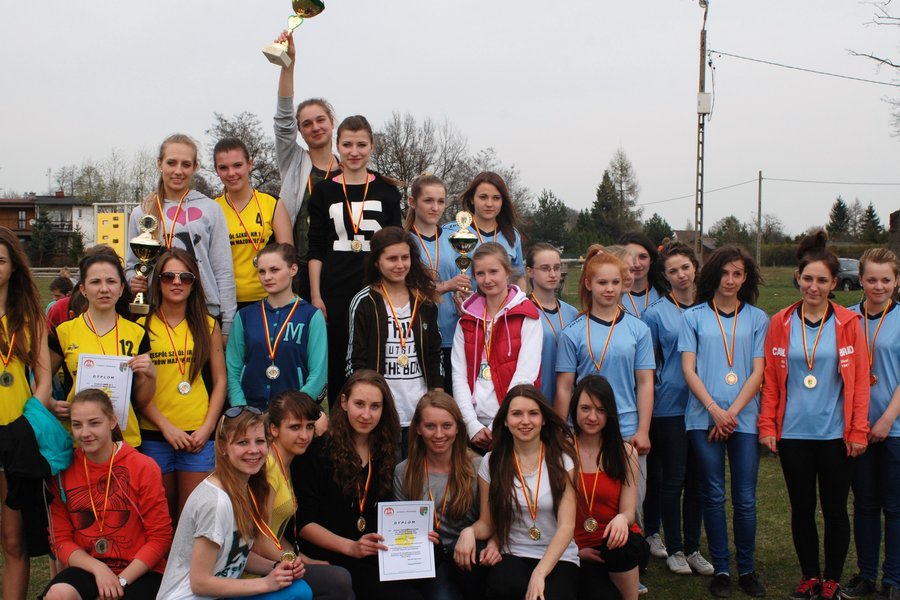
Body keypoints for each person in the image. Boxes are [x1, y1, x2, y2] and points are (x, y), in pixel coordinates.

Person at [759, 232, 869, 600]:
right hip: (793, 434)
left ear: (834, 283)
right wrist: (767, 425)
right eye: (808, 278)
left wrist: (858, 430)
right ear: (798, 278)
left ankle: (832, 580)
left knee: (835, 509)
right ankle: (809, 577)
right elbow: (771, 381)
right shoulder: (781, 321)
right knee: (802, 509)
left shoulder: (849, 323)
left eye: (822, 280)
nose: (814, 287)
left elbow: (860, 384)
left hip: (836, 435)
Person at [679, 244, 769, 599]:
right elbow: (689, 369)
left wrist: (730, 413)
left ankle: (746, 569)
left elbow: (758, 372)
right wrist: (715, 409)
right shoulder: (694, 317)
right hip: (703, 417)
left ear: (745, 278)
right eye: (724, 273)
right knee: (713, 494)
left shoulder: (758, 319)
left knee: (745, 498)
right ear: (713, 275)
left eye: (737, 274)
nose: (730, 280)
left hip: (743, 418)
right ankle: (722, 569)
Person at [155, 406, 312, 600]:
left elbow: (234, 556)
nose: (253, 450)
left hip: (218, 594)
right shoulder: (215, 502)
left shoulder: (244, 488)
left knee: (299, 589)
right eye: (242, 442)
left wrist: (277, 567)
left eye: (260, 441)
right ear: (222, 447)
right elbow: (200, 583)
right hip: (188, 597)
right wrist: (265, 583)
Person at [291, 370, 421, 600]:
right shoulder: (317, 451)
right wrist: (351, 547)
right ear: (344, 402)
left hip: (369, 553)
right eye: (359, 404)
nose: (366, 415)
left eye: (375, 406)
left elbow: (385, 514)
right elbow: (303, 523)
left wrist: (415, 536)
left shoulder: (384, 451)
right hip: (331, 556)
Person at [555, 247, 654, 529]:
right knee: (583, 504)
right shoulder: (572, 332)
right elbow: (564, 387)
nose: (609, 289)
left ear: (624, 284)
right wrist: (561, 430)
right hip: (583, 429)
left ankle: (631, 555)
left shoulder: (638, 330)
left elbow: (645, 383)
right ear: (588, 284)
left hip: (626, 429)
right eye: (602, 282)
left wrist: (643, 430)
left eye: (614, 282)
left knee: (631, 506)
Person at [307, 116, 402, 407]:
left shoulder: (387, 191)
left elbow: (396, 246)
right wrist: (315, 295)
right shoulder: (324, 191)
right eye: (347, 144)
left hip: (377, 287)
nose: (354, 151)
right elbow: (316, 248)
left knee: (375, 355)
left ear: (371, 146)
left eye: (361, 144)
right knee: (339, 360)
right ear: (338, 146)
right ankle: (341, 422)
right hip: (334, 289)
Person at [42, 389, 172, 600]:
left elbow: (160, 537)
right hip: (88, 567)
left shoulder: (143, 467)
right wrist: (98, 569)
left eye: (94, 423)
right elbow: (60, 540)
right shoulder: (62, 471)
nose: (85, 433)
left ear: (112, 422)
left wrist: (120, 581)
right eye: (77, 425)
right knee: (58, 594)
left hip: (140, 570)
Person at [454, 384, 579, 600]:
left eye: (533, 413)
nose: (525, 421)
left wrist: (539, 573)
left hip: (559, 556)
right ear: (505, 420)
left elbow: (566, 526)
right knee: (502, 584)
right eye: (517, 414)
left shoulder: (562, 460)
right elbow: (487, 523)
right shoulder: (492, 462)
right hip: (514, 553)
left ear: (544, 419)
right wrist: (469, 532)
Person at [640, 242, 712, 575]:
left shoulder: (710, 307)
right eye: (673, 271)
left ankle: (694, 547)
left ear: (695, 268)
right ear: (665, 276)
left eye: (685, 267)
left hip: (705, 406)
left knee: (698, 480)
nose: (681, 275)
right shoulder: (655, 313)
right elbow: (648, 364)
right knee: (673, 479)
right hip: (669, 407)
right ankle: (675, 549)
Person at [138, 248, 226, 519]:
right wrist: (166, 427)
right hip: (155, 433)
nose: (177, 282)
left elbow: (220, 380)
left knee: (193, 519)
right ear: (157, 282)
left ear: (194, 283)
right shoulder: (141, 325)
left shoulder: (208, 325)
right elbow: (137, 389)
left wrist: (208, 428)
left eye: (185, 277)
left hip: (197, 436)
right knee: (160, 519)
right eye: (169, 276)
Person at [125, 133, 236, 337]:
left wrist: (228, 321)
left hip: (204, 310)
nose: (178, 171)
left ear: (195, 167)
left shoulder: (211, 209)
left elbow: (223, 269)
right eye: (171, 163)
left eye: (185, 164)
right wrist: (133, 280)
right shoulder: (142, 213)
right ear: (159, 164)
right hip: (157, 311)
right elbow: (132, 266)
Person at [50, 249, 156, 449]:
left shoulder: (137, 333)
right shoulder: (63, 332)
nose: (104, 289)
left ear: (122, 287)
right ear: (83, 289)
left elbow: (142, 401)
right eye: (95, 282)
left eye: (111, 281)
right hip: (79, 441)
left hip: (125, 440)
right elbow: (40, 382)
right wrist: (51, 403)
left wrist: (151, 375)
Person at [348, 226, 443, 447]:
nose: (400, 265)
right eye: (392, 259)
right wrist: (366, 403)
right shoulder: (364, 302)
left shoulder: (424, 301)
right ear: (376, 262)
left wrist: (437, 396)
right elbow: (355, 359)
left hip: (419, 413)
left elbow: (434, 353)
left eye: (404, 258)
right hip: (380, 413)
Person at [254, 391, 354, 599]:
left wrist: (305, 559)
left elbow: (276, 534)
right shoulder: (268, 468)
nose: (304, 436)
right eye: (295, 427)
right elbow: (260, 540)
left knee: (339, 579)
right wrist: (293, 560)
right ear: (274, 429)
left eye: (309, 426)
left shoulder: (288, 464)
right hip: (256, 569)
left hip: (277, 559)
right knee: (339, 581)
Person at [845, 247, 900, 600]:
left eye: (886, 280)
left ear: (897, 281)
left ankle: (893, 579)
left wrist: (887, 418)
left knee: (895, 507)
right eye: (871, 279)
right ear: (861, 280)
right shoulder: (847, 318)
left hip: (894, 428)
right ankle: (866, 575)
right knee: (864, 505)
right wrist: (858, 423)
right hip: (857, 429)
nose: (879, 286)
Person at [0, 227, 52, 600]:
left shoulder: (30, 316)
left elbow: (45, 379)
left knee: (13, 540)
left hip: (16, 436)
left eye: (0, 261)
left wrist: (28, 423)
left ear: (13, 267)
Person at [394, 391, 487, 600]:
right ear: (418, 428)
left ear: (458, 428)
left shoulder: (477, 466)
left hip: (468, 554)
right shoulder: (404, 471)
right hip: (426, 557)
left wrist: (470, 532)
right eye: (430, 426)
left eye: (446, 426)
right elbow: (400, 528)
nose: (439, 434)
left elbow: (489, 522)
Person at [451, 243, 542, 450]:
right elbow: (459, 375)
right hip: (475, 425)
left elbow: (525, 375)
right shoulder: (466, 320)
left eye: (494, 271)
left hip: (514, 422)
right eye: (480, 273)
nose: (487, 279)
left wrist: (497, 425)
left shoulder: (527, 315)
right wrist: (471, 424)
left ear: (507, 272)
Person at [272, 29, 340, 300]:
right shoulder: (294, 162)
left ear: (332, 122)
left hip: (338, 265)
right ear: (299, 131)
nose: (315, 127)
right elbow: (283, 120)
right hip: (299, 267)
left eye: (321, 120)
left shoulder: (349, 170)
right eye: (307, 124)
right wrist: (288, 65)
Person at [569, 376, 649, 600]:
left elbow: (628, 511)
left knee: (620, 546)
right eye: (585, 408)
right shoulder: (562, 450)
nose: (592, 417)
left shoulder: (625, 452)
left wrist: (622, 519)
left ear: (610, 413)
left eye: (600, 410)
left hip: (620, 543)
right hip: (580, 549)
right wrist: (574, 550)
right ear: (574, 409)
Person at [227, 243, 327, 411]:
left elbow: (318, 373)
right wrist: (241, 409)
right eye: (262, 271)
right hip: (251, 413)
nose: (267, 277)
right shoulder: (244, 316)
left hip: (295, 413)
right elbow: (233, 369)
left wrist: (293, 410)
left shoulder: (311, 316)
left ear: (293, 269)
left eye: (274, 270)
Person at [403, 174, 470, 396]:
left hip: (453, 333)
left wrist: (465, 300)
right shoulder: (404, 241)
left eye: (441, 201)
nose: (435, 207)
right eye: (428, 201)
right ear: (413, 202)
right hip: (417, 335)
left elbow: (464, 281)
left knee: (453, 401)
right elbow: (403, 290)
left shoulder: (456, 238)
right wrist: (445, 286)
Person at [213, 137, 292, 308]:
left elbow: (288, 256)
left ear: (249, 164)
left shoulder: (272, 203)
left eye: (237, 165)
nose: (231, 173)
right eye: (223, 168)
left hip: (269, 299)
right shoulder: (212, 209)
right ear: (216, 171)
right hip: (226, 302)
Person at [443, 171, 525, 290]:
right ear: (472, 199)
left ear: (502, 201)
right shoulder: (449, 231)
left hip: (499, 302)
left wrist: (521, 300)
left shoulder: (512, 235)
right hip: (456, 302)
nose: (489, 204)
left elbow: (518, 277)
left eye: (496, 198)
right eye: (483, 197)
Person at [525, 243, 579, 404]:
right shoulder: (522, 311)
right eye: (545, 268)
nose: (553, 274)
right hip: (535, 398)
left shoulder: (572, 313)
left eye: (556, 268)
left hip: (568, 399)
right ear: (530, 271)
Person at [618, 233, 663, 319]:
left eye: (643, 257)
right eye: (630, 257)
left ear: (651, 259)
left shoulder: (664, 295)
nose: (637, 264)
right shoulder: (611, 295)